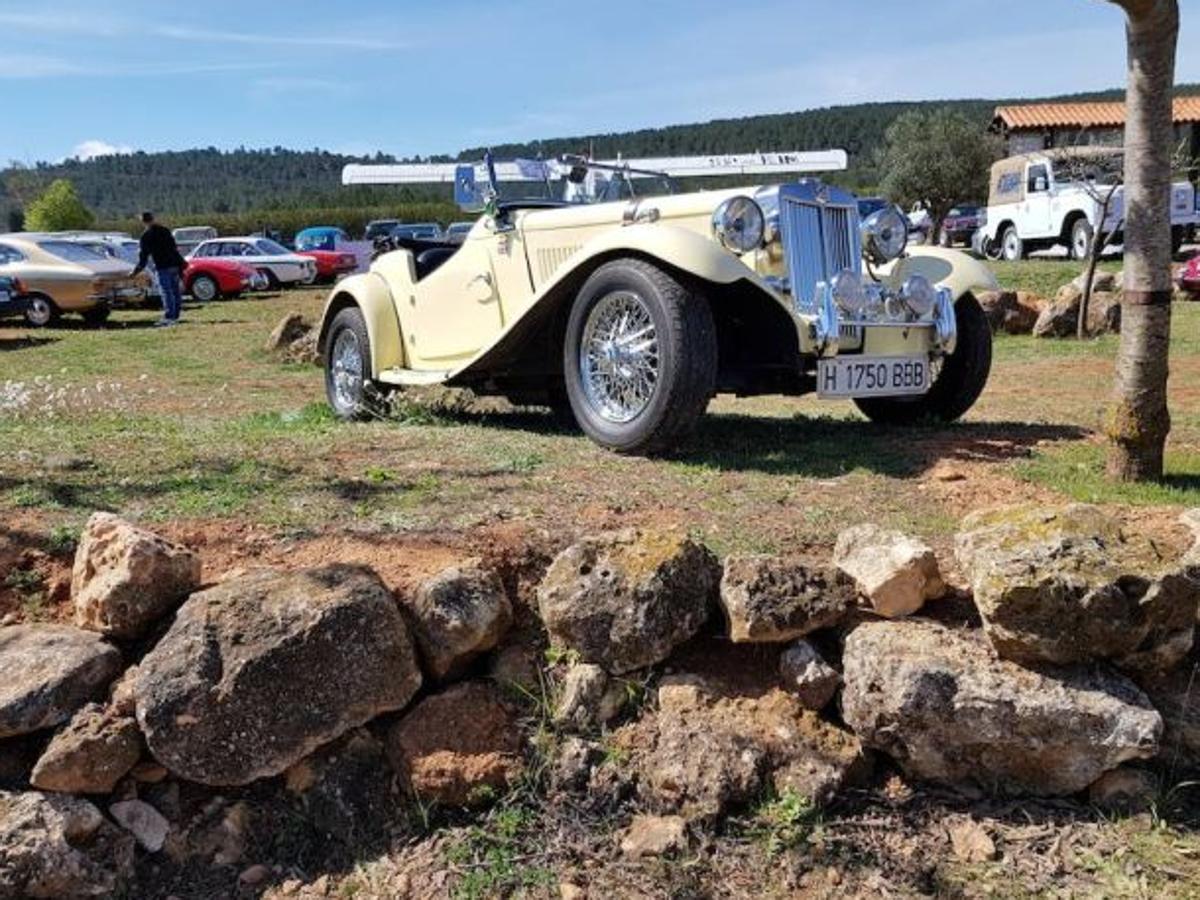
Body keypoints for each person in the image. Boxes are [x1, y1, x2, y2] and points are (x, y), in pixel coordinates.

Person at [132, 211, 187, 327]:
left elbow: (143, 256)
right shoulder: (165, 231)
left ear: (143, 221)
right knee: (175, 291)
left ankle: (169, 317)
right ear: (153, 218)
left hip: (162, 266)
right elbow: (174, 248)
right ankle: (176, 315)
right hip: (174, 265)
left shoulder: (146, 236)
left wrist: (136, 271)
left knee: (166, 292)